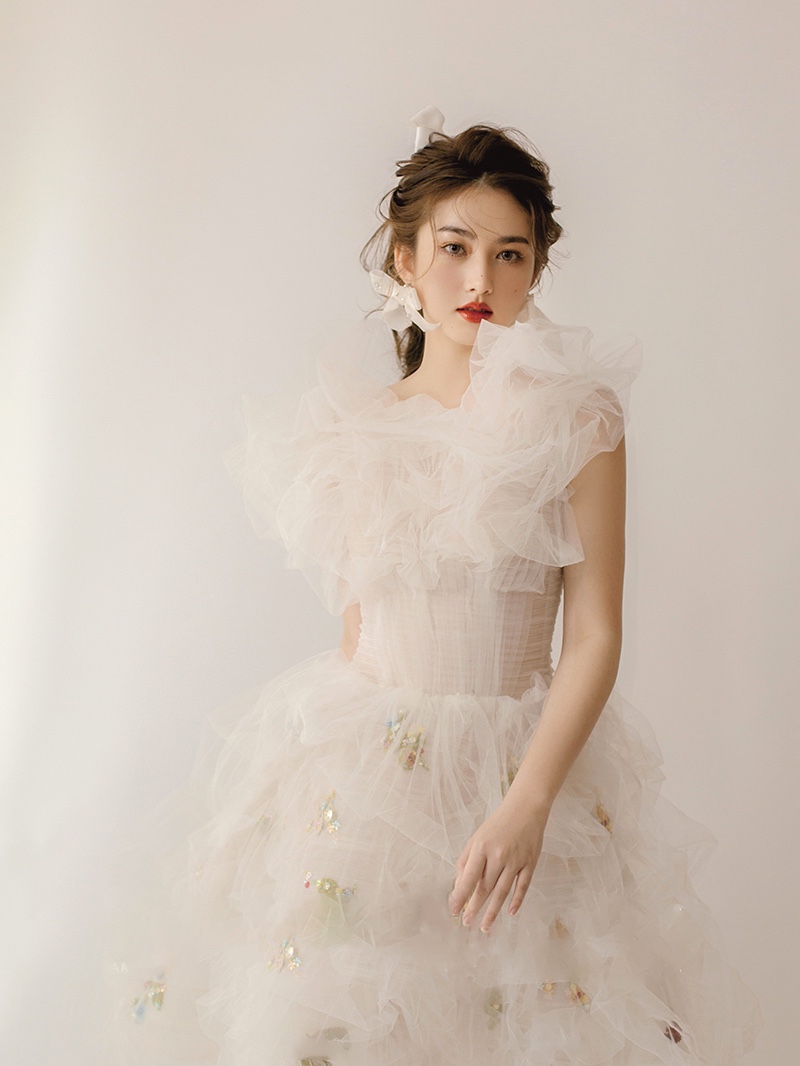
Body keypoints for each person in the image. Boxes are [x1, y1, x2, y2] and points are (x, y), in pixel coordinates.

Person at [73, 107, 762, 1065]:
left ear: (536, 269)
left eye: (511, 255)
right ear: (405, 259)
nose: (481, 281)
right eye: (456, 248)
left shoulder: (578, 422)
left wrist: (528, 804)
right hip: (367, 781)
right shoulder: (353, 433)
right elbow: (363, 636)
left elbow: (595, 637)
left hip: (522, 773)